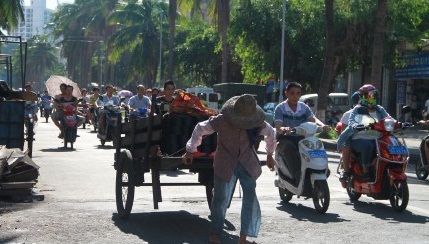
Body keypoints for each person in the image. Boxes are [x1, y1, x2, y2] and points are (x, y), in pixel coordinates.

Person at [183, 94, 276, 244]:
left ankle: (244, 236)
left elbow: (271, 134)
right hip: (225, 163)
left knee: (249, 198)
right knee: (220, 199)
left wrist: (270, 154)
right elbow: (200, 128)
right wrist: (190, 149)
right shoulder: (222, 120)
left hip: (248, 164)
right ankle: (215, 233)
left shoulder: (258, 123)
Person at [273, 82, 329, 181]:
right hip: (285, 139)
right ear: (286, 93)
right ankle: (296, 176)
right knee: (290, 149)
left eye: (298, 93)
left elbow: (313, 119)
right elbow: (278, 126)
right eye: (292, 93)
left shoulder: (304, 107)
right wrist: (283, 129)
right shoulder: (280, 108)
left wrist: (323, 125)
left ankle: (322, 169)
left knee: (317, 145)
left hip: (303, 138)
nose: (295, 96)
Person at [337, 84, 392, 181]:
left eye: (373, 95)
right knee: (366, 145)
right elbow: (347, 129)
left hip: (377, 139)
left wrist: (399, 124)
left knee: (391, 144)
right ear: (361, 97)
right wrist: (356, 126)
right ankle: (364, 171)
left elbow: (389, 119)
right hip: (358, 139)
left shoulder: (380, 109)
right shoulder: (353, 112)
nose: (371, 98)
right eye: (368, 95)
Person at [337, 91, 360, 178]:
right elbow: (344, 132)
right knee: (346, 146)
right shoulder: (348, 114)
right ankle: (346, 171)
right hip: (353, 139)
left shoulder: (375, 112)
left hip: (369, 137)